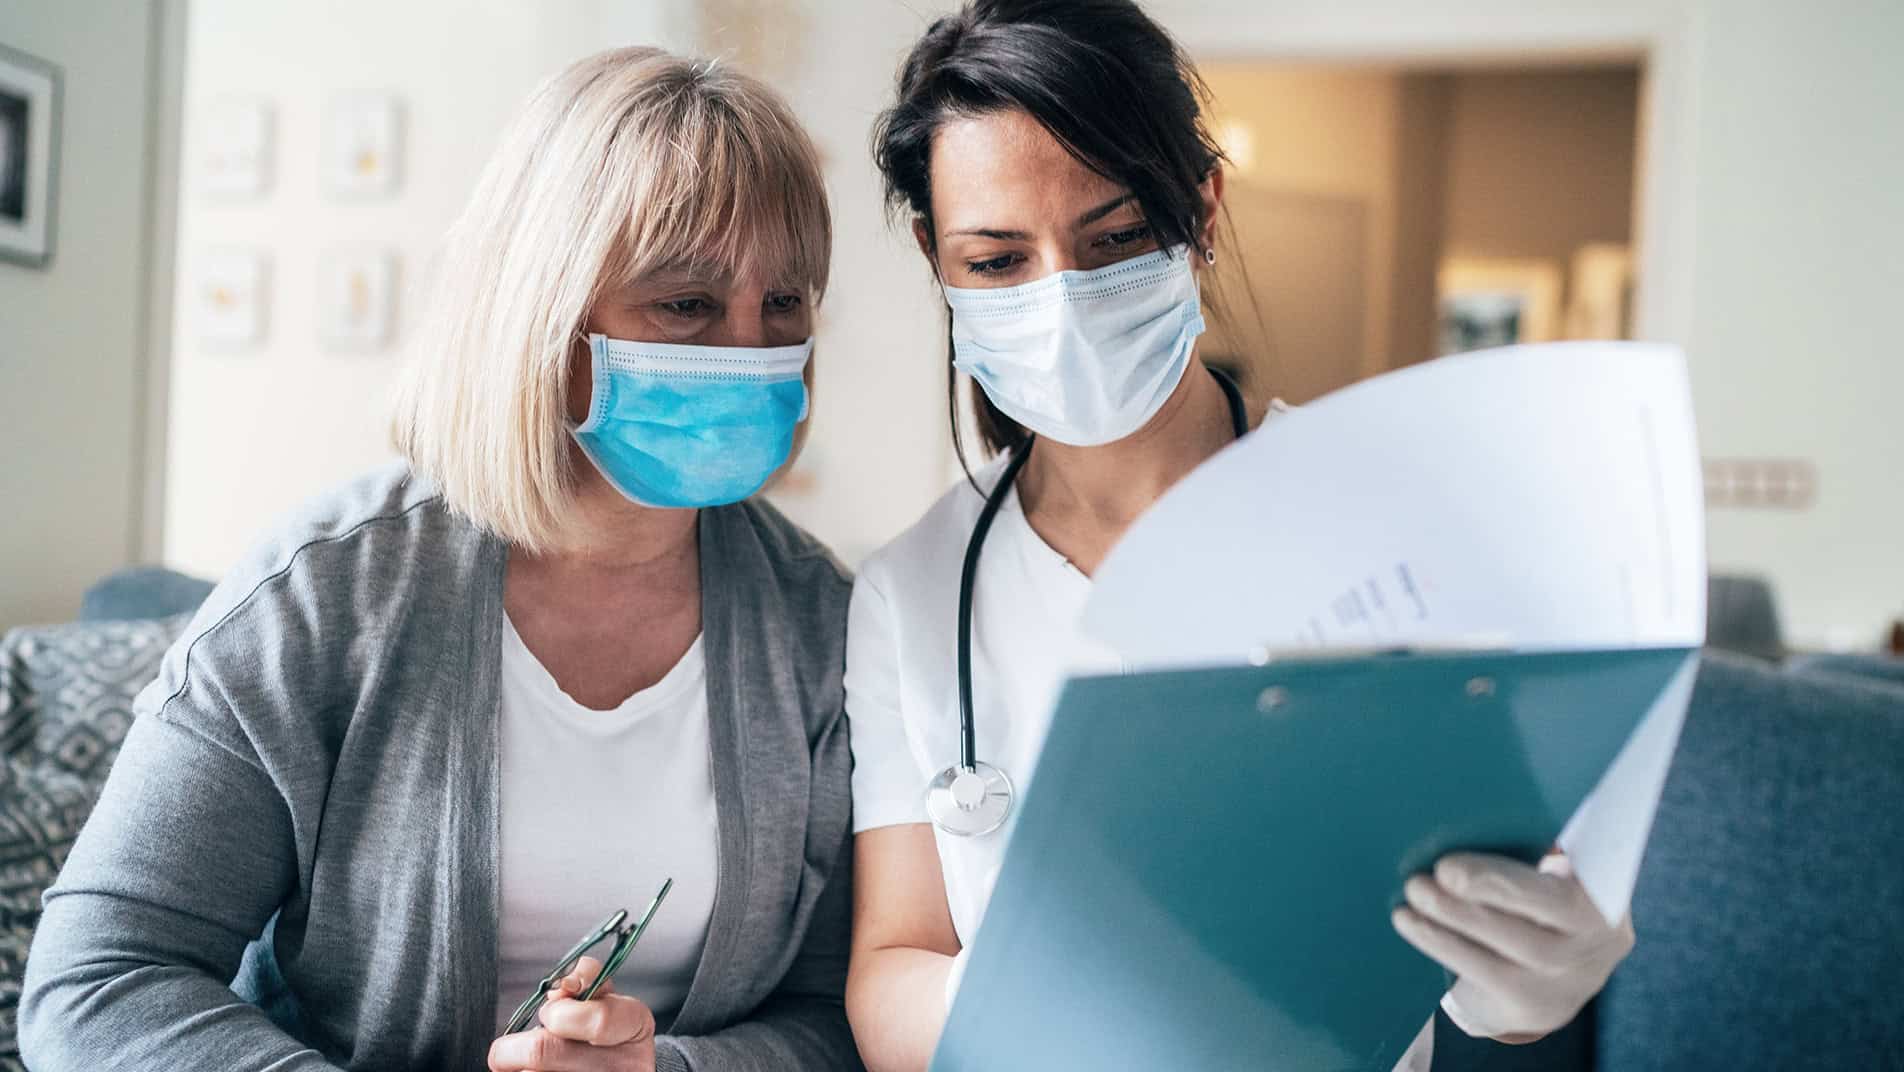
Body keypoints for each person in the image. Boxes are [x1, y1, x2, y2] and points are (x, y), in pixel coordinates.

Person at [22, 48, 862, 1072]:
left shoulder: (827, 624)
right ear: (543, 314)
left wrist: (662, 1069)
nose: (747, 351)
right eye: (685, 305)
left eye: (782, 306)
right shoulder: (323, 595)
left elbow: (834, 1013)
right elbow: (100, 981)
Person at [841, 3, 1634, 1070]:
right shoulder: (911, 587)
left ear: (1202, 211)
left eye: (1115, 238)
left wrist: (1530, 976)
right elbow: (890, 971)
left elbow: (1501, 925)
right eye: (996, 262)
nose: (1061, 302)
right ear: (937, 257)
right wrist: (1074, 973)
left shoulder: (1394, 527)